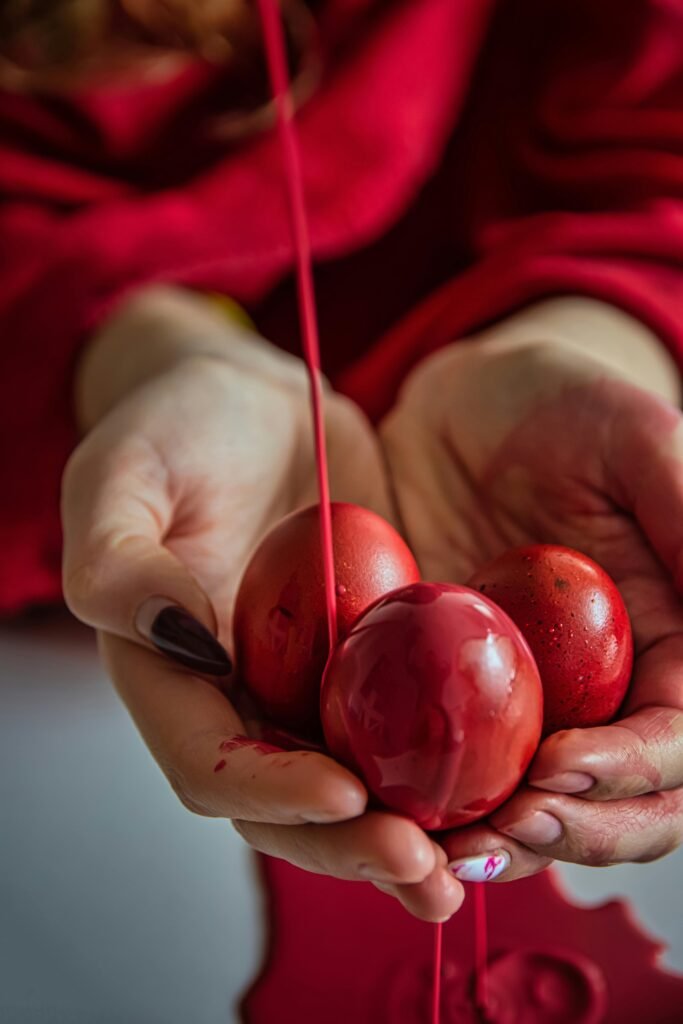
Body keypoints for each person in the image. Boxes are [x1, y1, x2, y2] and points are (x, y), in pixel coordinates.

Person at [1, 0, 682, 928]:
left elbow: (656, 122)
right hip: (83, 618)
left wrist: (600, 344)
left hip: (497, 354)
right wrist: (140, 352)